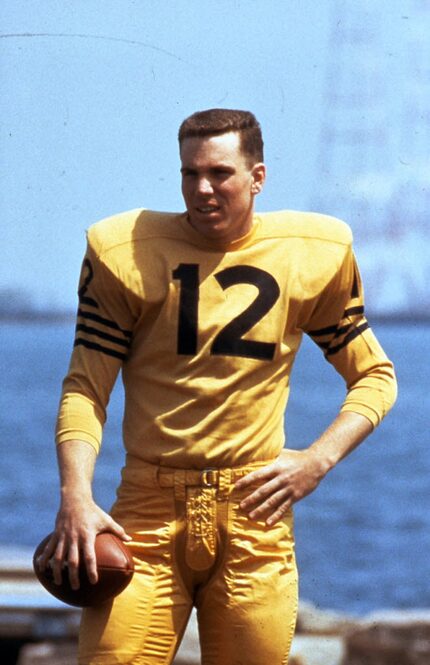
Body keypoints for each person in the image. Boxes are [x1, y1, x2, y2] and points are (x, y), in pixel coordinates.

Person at [38, 108, 397, 664]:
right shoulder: (124, 251)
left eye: (220, 174)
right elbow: (86, 388)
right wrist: (75, 497)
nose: (202, 189)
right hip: (147, 512)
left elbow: (375, 376)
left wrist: (316, 462)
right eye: (189, 173)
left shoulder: (311, 253)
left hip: (255, 514)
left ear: (257, 177)